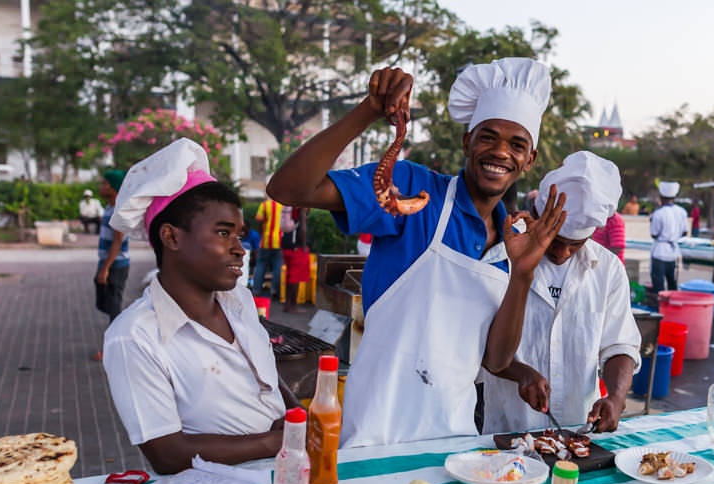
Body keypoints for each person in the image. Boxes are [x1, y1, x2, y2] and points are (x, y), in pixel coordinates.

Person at [267, 57, 565, 448]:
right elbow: (290, 189)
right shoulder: (415, 191)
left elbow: (495, 361)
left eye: (517, 144)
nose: (500, 152)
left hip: (455, 436)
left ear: (529, 160)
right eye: (488, 137)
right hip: (377, 430)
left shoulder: (515, 242)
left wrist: (523, 274)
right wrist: (368, 111)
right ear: (467, 142)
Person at [103, 139, 299, 473]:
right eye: (224, 233)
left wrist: (296, 416)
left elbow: (263, 372)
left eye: (239, 234)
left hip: (284, 475)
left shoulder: (240, 300)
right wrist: (275, 442)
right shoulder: (134, 337)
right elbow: (167, 454)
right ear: (172, 237)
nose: (240, 249)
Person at [481, 152, 641, 434]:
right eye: (555, 240)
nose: (562, 253)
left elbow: (619, 344)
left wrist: (616, 398)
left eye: (575, 244)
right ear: (538, 215)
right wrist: (520, 373)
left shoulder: (608, 270)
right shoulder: (500, 258)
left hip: (578, 432)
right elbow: (479, 346)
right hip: (508, 429)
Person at [93, 169, 128, 362]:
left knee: (114, 307)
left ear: (114, 188)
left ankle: (114, 349)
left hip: (117, 264)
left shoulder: (118, 211)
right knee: (105, 303)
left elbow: (117, 242)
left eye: (105, 184)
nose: (101, 187)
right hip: (107, 262)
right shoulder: (109, 207)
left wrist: (106, 268)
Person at [649, 181, 687, 293]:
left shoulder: (659, 213)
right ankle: (672, 308)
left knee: (658, 285)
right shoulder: (681, 211)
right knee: (672, 283)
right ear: (674, 197)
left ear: (661, 197)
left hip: (660, 251)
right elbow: (684, 232)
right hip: (673, 252)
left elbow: (654, 233)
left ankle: (659, 307)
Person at [253, 197, 287, 300]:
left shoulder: (264, 205)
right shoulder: (285, 206)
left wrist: (262, 231)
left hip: (265, 241)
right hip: (280, 242)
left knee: (260, 265)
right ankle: (275, 291)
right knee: (278, 267)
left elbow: (259, 219)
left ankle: (256, 291)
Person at [281, 206, 310, 312]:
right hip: (297, 247)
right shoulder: (301, 206)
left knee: (289, 277)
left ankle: (287, 305)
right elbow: (303, 228)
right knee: (295, 278)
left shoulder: (290, 204)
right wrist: (303, 246)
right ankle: (293, 305)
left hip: (286, 246)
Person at [239, 223, 260, 289]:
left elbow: (257, 251)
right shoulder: (237, 234)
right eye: (241, 230)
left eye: (244, 230)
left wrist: (254, 261)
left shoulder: (254, 235)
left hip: (250, 257)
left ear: (248, 229)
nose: (242, 233)